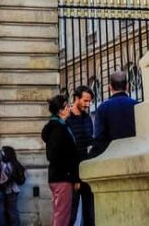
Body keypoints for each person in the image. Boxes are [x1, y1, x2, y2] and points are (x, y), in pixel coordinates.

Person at [41, 95, 80, 226]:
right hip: (62, 177)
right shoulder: (59, 129)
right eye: (67, 106)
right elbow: (58, 155)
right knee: (62, 215)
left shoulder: (59, 126)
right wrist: (73, 176)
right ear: (61, 110)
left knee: (60, 213)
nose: (69, 108)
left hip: (58, 176)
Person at [66, 86, 95, 226]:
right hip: (72, 173)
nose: (87, 104)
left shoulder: (87, 118)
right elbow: (66, 150)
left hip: (88, 170)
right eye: (85, 101)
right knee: (71, 212)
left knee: (90, 211)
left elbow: (90, 141)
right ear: (76, 98)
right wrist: (74, 177)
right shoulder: (67, 119)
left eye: (89, 101)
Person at [92, 72, 138, 156]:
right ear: (127, 86)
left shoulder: (102, 108)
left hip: (112, 156)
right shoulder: (137, 105)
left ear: (110, 87)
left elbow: (99, 138)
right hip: (134, 152)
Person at [1, 146, 25, 226]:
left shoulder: (7, 165)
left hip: (9, 191)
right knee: (11, 212)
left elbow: (7, 177)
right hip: (12, 190)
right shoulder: (14, 163)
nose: (1, 154)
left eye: (3, 152)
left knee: (11, 213)